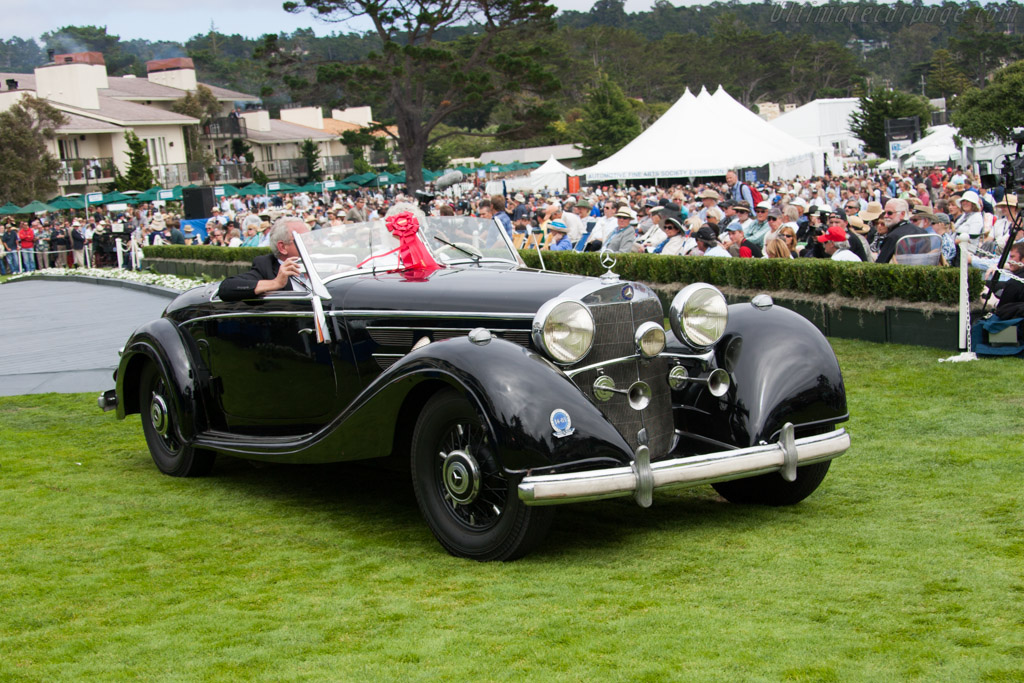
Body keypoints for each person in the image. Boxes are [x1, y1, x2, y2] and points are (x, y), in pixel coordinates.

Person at [218, 217, 311, 301]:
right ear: (282, 247)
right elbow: (226, 287)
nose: (312, 242)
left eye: (310, 237)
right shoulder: (266, 266)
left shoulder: (319, 260)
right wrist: (275, 283)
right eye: (303, 239)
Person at [875, 198, 924, 265]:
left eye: (890, 213)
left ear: (902, 214)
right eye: (884, 213)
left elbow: (880, 265)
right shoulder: (922, 231)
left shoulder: (893, 237)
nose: (885, 216)